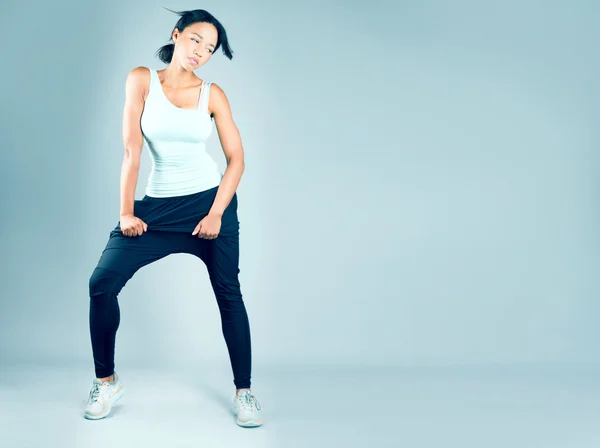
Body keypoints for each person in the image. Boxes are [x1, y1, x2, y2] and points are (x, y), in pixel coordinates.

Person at [83, 8, 263, 428]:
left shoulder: (213, 94)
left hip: (208, 205)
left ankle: (245, 391)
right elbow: (132, 152)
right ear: (177, 34)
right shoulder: (141, 79)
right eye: (196, 40)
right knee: (102, 283)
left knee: (228, 293)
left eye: (211, 48)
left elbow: (237, 160)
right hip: (158, 208)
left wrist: (217, 211)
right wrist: (126, 211)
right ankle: (106, 381)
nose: (201, 51)